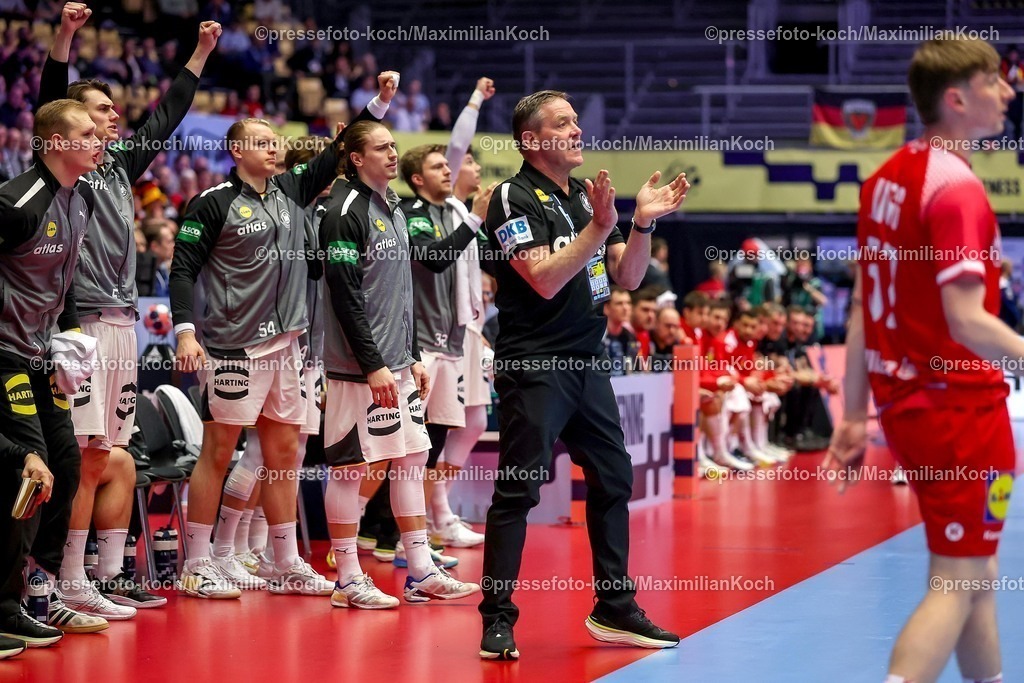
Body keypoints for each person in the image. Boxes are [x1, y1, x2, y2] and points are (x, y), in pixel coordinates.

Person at [826, 38, 1016, 683]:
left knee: (977, 572)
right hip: (956, 406)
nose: (1009, 92)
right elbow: (969, 323)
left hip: (905, 400)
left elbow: (860, 310)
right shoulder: (956, 188)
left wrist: (852, 415)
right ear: (958, 99)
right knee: (958, 579)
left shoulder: (887, 178)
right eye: (996, 82)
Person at [169, 73, 397, 598]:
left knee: (285, 453)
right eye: (262, 143)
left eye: (276, 143)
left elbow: (345, 143)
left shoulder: (292, 189)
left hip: (288, 346)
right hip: (233, 345)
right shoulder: (211, 202)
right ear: (235, 150)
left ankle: (284, 560)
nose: (273, 150)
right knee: (219, 450)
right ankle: (199, 561)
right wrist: (186, 331)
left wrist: (380, 102)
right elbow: (182, 270)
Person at [480, 90, 687, 660]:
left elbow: (626, 275)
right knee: (518, 491)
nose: (576, 130)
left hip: (587, 358)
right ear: (531, 140)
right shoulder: (511, 197)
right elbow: (543, 279)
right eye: (563, 123)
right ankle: (496, 617)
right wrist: (600, 227)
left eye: (575, 121)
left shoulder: (580, 195)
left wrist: (639, 222)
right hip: (537, 363)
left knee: (614, 477)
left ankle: (614, 606)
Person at [39, 3, 218, 618]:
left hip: (124, 324)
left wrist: (197, 56)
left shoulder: (118, 166)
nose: (114, 118)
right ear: (69, 125)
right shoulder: (71, 171)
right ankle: (64, 578)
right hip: (81, 322)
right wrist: (65, 36)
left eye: (114, 113)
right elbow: (49, 96)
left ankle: (108, 577)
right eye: (100, 110)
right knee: (86, 456)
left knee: (115, 456)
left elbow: (167, 116)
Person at [318, 120, 480, 608]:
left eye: (394, 147)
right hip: (357, 368)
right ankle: (347, 577)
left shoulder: (388, 206)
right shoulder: (342, 211)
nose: (393, 154)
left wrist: (409, 358)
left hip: (398, 362)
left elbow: (400, 295)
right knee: (350, 469)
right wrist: (373, 363)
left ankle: (422, 570)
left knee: (411, 461)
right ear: (355, 157)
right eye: (382, 148)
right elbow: (345, 295)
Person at [0, 98, 102, 644]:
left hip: (44, 359)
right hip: (6, 356)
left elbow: (60, 284)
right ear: (56, 143)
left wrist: (71, 337)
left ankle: (33, 587)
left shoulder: (79, 198)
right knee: (26, 473)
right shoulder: (17, 203)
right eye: (87, 132)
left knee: (65, 463)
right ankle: (3, 604)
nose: (100, 138)